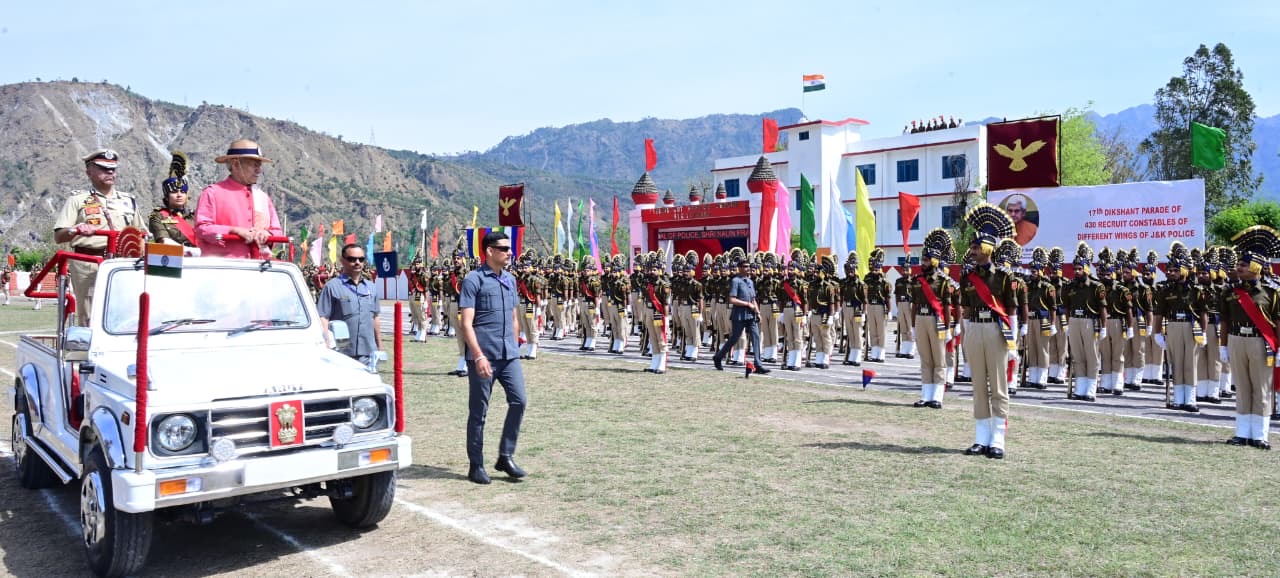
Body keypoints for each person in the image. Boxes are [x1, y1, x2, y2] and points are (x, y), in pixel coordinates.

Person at [459, 230, 527, 484]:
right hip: (483, 355)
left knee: (519, 401)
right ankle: (476, 465)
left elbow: (513, 316)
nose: (510, 253)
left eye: (510, 249)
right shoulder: (473, 280)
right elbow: (466, 323)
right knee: (479, 412)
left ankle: (505, 456)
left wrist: (516, 345)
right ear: (489, 251)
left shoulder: (509, 279)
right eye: (504, 249)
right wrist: (477, 357)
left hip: (509, 355)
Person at [53, 149, 138, 326]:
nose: (110, 172)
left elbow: (141, 234)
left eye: (113, 169)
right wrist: (74, 229)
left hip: (122, 262)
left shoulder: (128, 201)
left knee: (124, 312)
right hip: (89, 262)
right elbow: (58, 236)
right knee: (91, 313)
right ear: (89, 172)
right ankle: (88, 350)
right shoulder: (78, 200)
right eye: (103, 168)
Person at [959, 203, 1017, 459]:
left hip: (996, 330)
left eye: (974, 248)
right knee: (979, 385)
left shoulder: (1004, 277)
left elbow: (1011, 311)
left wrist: (1013, 343)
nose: (971, 252)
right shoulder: (967, 277)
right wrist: (965, 336)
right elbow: (966, 311)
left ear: (987, 248)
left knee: (998, 385)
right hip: (975, 330)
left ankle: (997, 439)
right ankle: (981, 437)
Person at [1220, 226, 1280, 450]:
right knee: (1242, 387)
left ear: (1256, 266)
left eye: (1244, 265)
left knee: (1261, 388)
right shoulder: (1229, 291)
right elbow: (1224, 320)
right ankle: (1242, 433)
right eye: (1239, 264)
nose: (1239, 268)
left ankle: (1261, 435)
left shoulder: (1272, 292)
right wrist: (1223, 345)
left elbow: (1278, 321)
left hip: (1260, 343)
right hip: (1236, 340)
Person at [194, 139, 283, 258]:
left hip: (259, 271)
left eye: (259, 165)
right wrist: (233, 230)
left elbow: (277, 231)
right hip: (223, 270)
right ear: (236, 164)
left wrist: (267, 234)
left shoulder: (263, 198)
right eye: (254, 165)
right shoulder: (212, 193)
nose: (259, 170)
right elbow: (202, 229)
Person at [317, 244, 383, 367]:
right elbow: (323, 317)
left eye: (361, 259)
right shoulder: (332, 287)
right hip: (342, 353)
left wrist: (379, 345)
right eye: (352, 259)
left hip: (368, 352)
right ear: (343, 261)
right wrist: (325, 344)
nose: (357, 262)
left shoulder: (371, 287)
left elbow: (375, 317)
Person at [911, 229, 956, 408]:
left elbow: (947, 307)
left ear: (935, 261)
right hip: (921, 319)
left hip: (936, 321)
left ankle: (937, 396)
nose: (923, 263)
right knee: (925, 359)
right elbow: (914, 304)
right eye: (923, 259)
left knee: (939, 360)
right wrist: (913, 326)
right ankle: (925, 395)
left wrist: (947, 327)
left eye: (927, 260)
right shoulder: (917, 280)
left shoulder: (944, 281)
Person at [714, 257, 770, 377]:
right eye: (745, 267)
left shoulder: (750, 282)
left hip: (751, 315)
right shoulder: (735, 281)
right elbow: (732, 299)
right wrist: (747, 304)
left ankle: (758, 364)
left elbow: (753, 299)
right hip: (739, 314)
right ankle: (718, 357)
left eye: (748, 266)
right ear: (739, 268)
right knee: (734, 338)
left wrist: (758, 312)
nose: (748, 269)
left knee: (756, 337)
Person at [148, 151, 201, 252]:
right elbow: (164, 241)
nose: (179, 195)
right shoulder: (157, 216)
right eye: (174, 192)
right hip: (171, 259)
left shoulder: (195, 216)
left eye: (183, 192)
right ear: (167, 196)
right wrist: (189, 251)